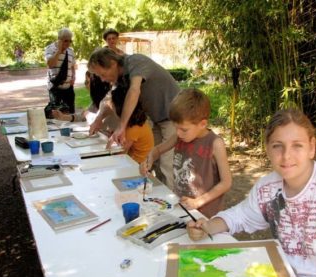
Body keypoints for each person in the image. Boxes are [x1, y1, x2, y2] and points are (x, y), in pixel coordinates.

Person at [187, 108, 316, 277]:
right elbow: (241, 216)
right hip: (286, 276)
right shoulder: (267, 188)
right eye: (278, 146)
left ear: (312, 147)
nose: (286, 156)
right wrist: (207, 226)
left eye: (297, 145)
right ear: (267, 148)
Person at [88, 47, 180, 189]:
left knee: (166, 164)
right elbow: (109, 102)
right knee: (151, 160)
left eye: (102, 74)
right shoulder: (120, 79)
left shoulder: (136, 62)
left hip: (173, 116)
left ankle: (171, 202)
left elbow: (134, 90)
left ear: (112, 63)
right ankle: (156, 196)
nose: (102, 79)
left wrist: (121, 127)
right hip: (157, 119)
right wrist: (98, 119)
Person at [139, 89, 232, 218]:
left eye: (183, 129)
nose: (178, 133)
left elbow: (226, 182)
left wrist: (198, 202)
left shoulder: (215, 144)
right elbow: (158, 150)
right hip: (182, 206)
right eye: (175, 128)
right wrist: (148, 160)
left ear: (202, 124)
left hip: (206, 214)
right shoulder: (179, 136)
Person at [111, 82, 154, 163]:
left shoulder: (133, 129)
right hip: (137, 161)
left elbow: (120, 153)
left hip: (138, 165)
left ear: (118, 108)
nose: (111, 107)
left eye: (112, 105)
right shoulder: (135, 122)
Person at [44, 28, 76, 117]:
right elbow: (50, 64)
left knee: (69, 113)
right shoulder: (50, 49)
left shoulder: (70, 51)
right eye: (66, 41)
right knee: (56, 114)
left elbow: (72, 66)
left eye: (70, 41)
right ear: (59, 40)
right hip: (55, 87)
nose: (68, 43)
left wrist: (73, 77)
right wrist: (58, 51)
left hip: (68, 88)